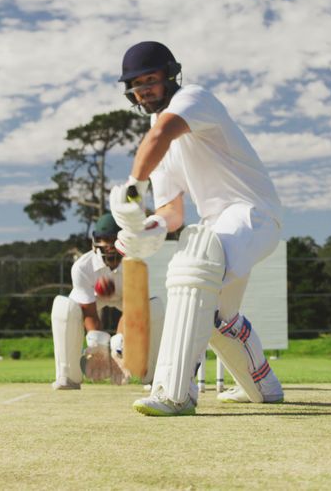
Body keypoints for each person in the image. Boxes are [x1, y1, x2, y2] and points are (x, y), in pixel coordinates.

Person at [110, 41, 284, 416]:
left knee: (194, 269)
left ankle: (176, 392)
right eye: (136, 86)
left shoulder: (194, 99)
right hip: (218, 223)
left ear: (171, 76)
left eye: (151, 80)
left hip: (253, 213)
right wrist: (145, 228)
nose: (144, 91)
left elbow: (162, 135)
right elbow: (171, 212)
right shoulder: (156, 135)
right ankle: (264, 385)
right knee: (219, 316)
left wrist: (131, 189)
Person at [51, 213, 164, 389]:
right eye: (104, 239)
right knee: (64, 307)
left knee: (155, 307)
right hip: (93, 300)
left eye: (113, 239)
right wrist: (98, 345)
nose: (109, 246)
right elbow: (88, 311)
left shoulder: (135, 264)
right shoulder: (82, 267)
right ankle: (68, 376)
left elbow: (131, 311)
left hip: (126, 302)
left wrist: (117, 346)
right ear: (95, 240)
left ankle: (153, 377)